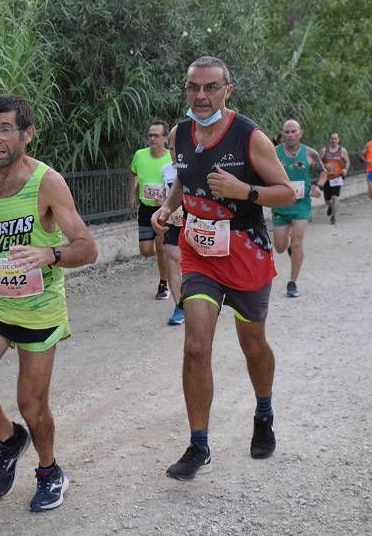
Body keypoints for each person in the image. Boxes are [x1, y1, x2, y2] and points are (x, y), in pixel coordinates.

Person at [0, 94, 98, 512]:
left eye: (5, 129)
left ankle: (50, 471)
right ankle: (10, 439)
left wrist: (48, 254)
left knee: (33, 405)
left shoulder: (47, 182)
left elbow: (87, 247)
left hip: (37, 308)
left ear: (27, 134)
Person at [151, 56, 296, 481]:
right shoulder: (180, 135)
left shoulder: (250, 137)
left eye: (211, 87)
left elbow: (286, 193)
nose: (201, 96)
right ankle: (199, 444)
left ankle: (264, 412)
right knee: (196, 345)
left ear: (227, 90)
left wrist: (244, 190)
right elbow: (183, 178)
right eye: (194, 87)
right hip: (199, 251)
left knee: (253, 346)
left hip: (245, 250)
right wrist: (168, 206)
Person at [271, 119, 324, 298]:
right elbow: (263, 171)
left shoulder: (310, 153)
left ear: (300, 133)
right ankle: (290, 249)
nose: (290, 135)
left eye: (294, 131)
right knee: (279, 247)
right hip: (280, 204)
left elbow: (323, 172)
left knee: (297, 242)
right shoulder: (274, 153)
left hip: (301, 204)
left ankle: (292, 282)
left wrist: (319, 187)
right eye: (287, 132)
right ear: (282, 134)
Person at [130, 121, 173, 299]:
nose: (152, 138)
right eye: (150, 135)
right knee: (146, 251)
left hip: (164, 210)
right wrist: (132, 195)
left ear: (165, 138)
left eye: (156, 135)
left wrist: (166, 201)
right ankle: (166, 258)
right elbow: (134, 174)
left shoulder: (171, 158)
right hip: (146, 209)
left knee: (161, 248)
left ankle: (163, 285)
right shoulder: (139, 155)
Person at [162, 141, 186, 325]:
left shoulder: (200, 166)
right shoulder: (166, 170)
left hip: (197, 221)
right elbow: (165, 196)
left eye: (177, 148)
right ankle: (179, 306)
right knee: (172, 259)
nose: (173, 152)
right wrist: (161, 204)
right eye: (170, 148)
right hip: (173, 222)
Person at [319, 132, 350, 225]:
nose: (334, 140)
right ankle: (331, 206)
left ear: (338, 139)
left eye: (335, 138)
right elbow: (318, 162)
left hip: (337, 177)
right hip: (326, 178)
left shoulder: (342, 151)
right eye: (332, 138)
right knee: (327, 199)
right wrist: (325, 165)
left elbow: (347, 161)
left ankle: (333, 217)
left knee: (335, 197)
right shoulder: (324, 150)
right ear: (329, 140)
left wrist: (345, 169)